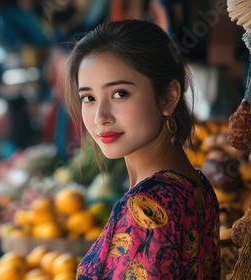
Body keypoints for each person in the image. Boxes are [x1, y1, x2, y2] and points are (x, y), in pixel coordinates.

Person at [63, 19, 220, 279]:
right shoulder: (196, 186)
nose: (100, 117)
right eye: (88, 98)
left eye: (119, 94)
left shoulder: (147, 207)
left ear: (169, 97)